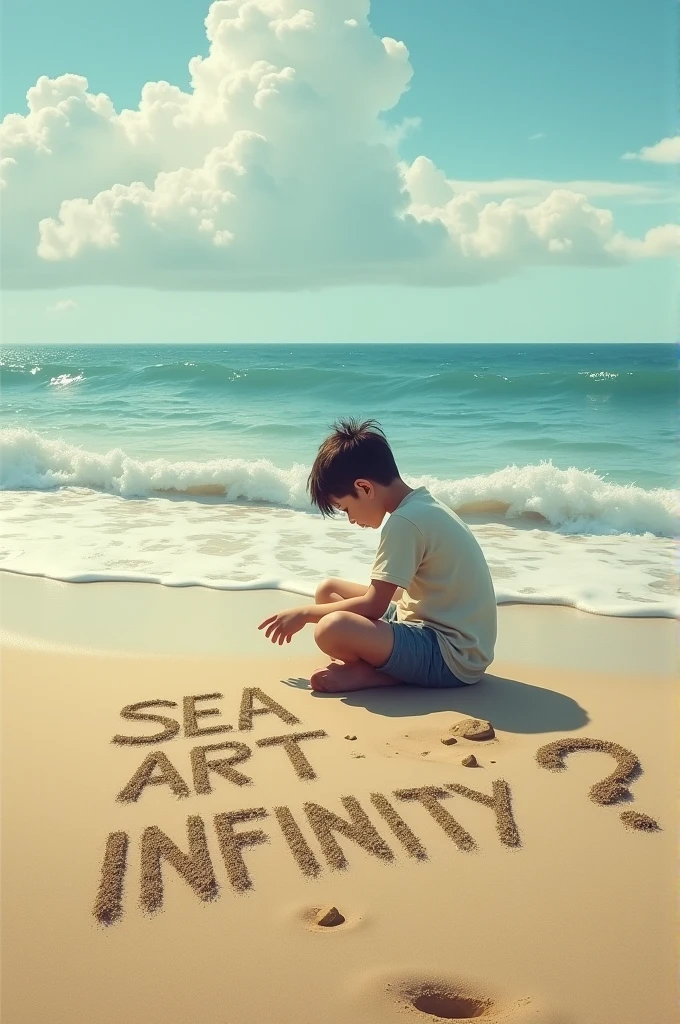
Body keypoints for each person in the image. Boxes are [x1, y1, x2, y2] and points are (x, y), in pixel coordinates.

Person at [258, 418, 497, 693]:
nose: (350, 520)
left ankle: (381, 675)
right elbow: (394, 597)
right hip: (451, 634)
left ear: (365, 488)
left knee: (330, 628)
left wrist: (303, 614)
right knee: (329, 590)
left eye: (345, 508)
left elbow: (374, 606)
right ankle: (383, 666)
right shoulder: (422, 505)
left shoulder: (405, 522)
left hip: (451, 656)